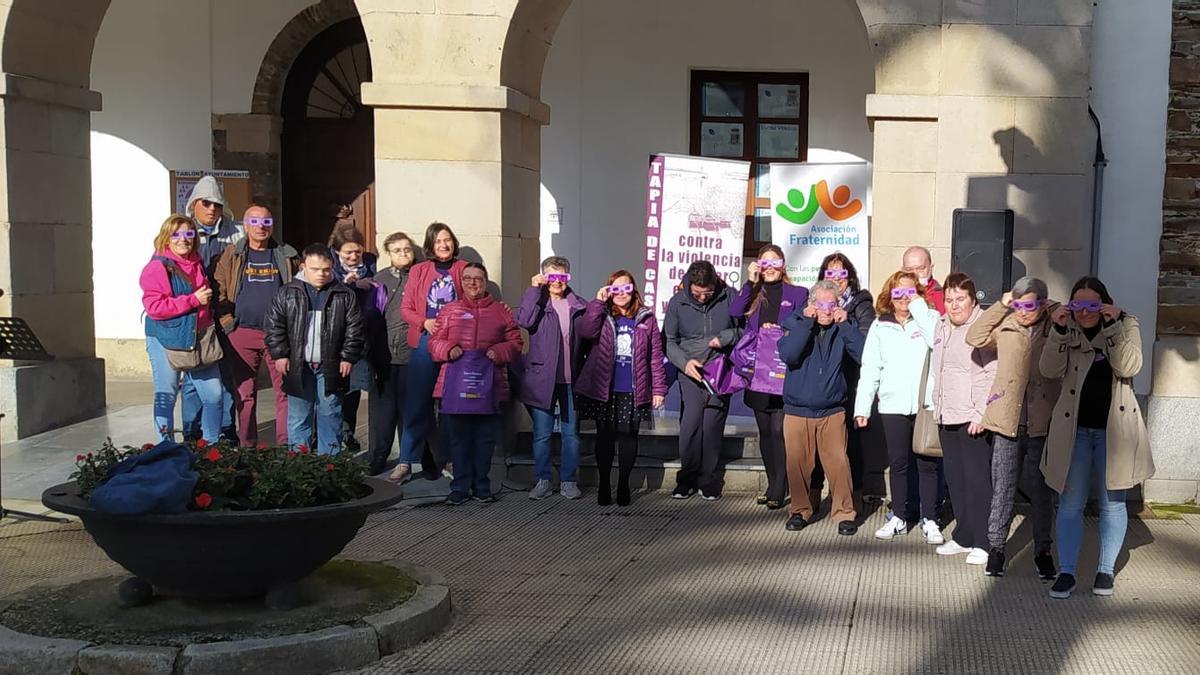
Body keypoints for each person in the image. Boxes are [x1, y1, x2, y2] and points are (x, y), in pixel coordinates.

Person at [1041, 277, 1153, 599]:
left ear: (1104, 303)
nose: (1085, 312)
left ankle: (1105, 570)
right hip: (1074, 431)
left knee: (1112, 503)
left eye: (1092, 305)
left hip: (1114, 432)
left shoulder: (1126, 323)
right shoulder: (1067, 328)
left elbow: (1129, 366)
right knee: (1070, 503)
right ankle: (1066, 573)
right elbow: (1049, 370)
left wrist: (1113, 325)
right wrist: (1059, 330)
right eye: (1078, 305)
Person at [966, 276, 1061, 579]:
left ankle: (1043, 551)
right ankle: (997, 548)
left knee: (1042, 491)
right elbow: (974, 336)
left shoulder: (1053, 327)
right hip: (1007, 419)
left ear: (1042, 304)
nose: (1022, 311)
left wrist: (1053, 309)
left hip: (1041, 421)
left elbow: (1068, 318)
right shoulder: (1006, 326)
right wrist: (1001, 304)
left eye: (1029, 305)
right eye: (1018, 305)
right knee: (1003, 487)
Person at [854, 271, 943, 543]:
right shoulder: (880, 326)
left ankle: (930, 518)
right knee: (898, 463)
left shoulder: (930, 319)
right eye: (898, 293)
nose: (904, 298)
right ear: (888, 297)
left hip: (924, 404)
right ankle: (900, 516)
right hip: (892, 405)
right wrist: (862, 407)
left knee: (927, 463)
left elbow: (936, 344)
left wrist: (919, 305)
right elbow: (871, 368)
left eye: (909, 292)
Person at [428, 263, 523, 505]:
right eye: (468, 278)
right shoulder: (449, 311)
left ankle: (482, 485)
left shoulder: (501, 311)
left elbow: (515, 343)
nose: (473, 283)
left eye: (478, 279)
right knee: (458, 440)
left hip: (490, 388)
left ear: (486, 282)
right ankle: (459, 486)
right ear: (461, 282)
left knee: (484, 440)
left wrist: (499, 351)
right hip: (455, 387)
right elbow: (434, 343)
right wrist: (448, 349)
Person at [777, 280, 866, 535]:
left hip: (832, 409)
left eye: (833, 304)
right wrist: (806, 323)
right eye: (822, 304)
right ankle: (799, 510)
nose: (827, 310)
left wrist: (846, 326)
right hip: (798, 409)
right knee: (798, 464)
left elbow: (863, 356)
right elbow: (789, 355)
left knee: (838, 463)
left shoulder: (843, 328)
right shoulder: (794, 322)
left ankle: (844, 513)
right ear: (811, 304)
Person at [575, 270, 668, 506]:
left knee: (629, 438)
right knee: (604, 438)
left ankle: (624, 483)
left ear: (633, 290)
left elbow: (655, 356)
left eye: (626, 288)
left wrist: (658, 389)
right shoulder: (602, 314)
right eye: (616, 289)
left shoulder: (646, 318)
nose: (621, 294)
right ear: (609, 291)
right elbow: (586, 332)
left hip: (633, 389)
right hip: (604, 389)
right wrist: (598, 302)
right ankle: (604, 483)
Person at [728, 244, 809, 509]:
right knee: (765, 430)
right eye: (765, 264)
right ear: (758, 267)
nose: (770, 268)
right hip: (757, 369)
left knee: (779, 430)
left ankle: (778, 486)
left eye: (775, 263)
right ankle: (773, 480)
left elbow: (802, 322)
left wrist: (781, 329)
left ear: (783, 265)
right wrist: (750, 283)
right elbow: (734, 313)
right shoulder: (753, 293)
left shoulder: (798, 293)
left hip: (782, 369)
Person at [265, 244, 364, 454]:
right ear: (303, 267)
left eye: (326, 270)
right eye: (315, 269)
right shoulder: (287, 293)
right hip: (298, 366)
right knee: (299, 418)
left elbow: (354, 329)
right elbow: (274, 326)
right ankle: (300, 466)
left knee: (331, 415)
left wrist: (347, 357)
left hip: (331, 366)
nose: (321, 274)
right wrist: (280, 354)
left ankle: (329, 466)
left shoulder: (343, 294)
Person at [212, 204, 298, 447]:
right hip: (242, 333)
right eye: (256, 222)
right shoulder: (232, 254)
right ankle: (247, 445)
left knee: (284, 392)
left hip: (278, 335)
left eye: (267, 222)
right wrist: (228, 323)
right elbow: (218, 289)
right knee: (244, 394)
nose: (261, 227)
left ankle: (285, 446)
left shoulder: (286, 254)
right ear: (246, 225)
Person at [139, 214, 225, 443]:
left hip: (200, 339)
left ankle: (212, 449)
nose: (183, 239)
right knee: (166, 396)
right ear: (167, 237)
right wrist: (193, 300)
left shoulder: (197, 262)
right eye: (176, 234)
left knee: (215, 395)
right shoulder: (157, 267)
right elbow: (155, 307)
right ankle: (164, 449)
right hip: (166, 338)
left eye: (188, 233)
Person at [931, 273, 997, 566]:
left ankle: (984, 541)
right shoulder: (941, 325)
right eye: (949, 299)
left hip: (972, 416)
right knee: (955, 479)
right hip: (947, 412)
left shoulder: (982, 328)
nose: (954, 305)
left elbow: (991, 373)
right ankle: (964, 534)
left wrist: (982, 413)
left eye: (961, 299)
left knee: (977, 480)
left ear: (973, 300)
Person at [394, 222, 469, 482]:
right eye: (438, 241)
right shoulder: (419, 271)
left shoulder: (463, 269)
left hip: (455, 343)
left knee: (450, 404)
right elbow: (406, 309)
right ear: (430, 245)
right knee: (416, 403)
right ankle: (406, 462)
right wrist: (423, 322)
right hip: (426, 340)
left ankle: (450, 460)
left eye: (447, 240)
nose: (444, 245)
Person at [663, 260, 741, 501]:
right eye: (697, 293)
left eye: (706, 293)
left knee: (712, 425)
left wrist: (726, 337)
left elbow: (745, 330)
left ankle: (708, 480)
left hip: (719, 369)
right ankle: (686, 479)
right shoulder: (678, 301)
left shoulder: (730, 297)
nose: (702, 298)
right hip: (690, 369)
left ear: (715, 283)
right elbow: (669, 340)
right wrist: (684, 363)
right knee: (691, 423)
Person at [516, 256, 588, 500]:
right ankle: (543, 479)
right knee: (542, 434)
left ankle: (569, 480)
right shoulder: (539, 303)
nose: (558, 282)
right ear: (544, 278)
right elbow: (523, 320)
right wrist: (533, 290)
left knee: (571, 434)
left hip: (571, 379)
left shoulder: (578, 305)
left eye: (563, 277)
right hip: (541, 379)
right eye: (552, 277)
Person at [185, 176, 243, 441]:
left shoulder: (235, 232)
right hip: (193, 316)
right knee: (192, 376)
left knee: (227, 373)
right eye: (206, 203)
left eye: (217, 205)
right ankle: (191, 430)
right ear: (194, 204)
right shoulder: (182, 231)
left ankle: (227, 428)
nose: (211, 209)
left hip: (224, 313)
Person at [816, 252, 877, 504]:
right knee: (816, 441)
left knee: (851, 442)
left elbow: (866, 347)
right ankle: (815, 494)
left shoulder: (861, 305)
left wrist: (845, 323)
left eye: (841, 274)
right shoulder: (813, 302)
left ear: (849, 277)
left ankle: (855, 494)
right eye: (830, 273)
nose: (836, 279)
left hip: (850, 381)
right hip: (820, 383)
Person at [370, 232, 430, 475]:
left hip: (412, 352)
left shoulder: (420, 274)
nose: (403, 254)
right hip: (385, 354)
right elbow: (372, 314)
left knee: (413, 410)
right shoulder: (380, 278)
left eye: (407, 249)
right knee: (385, 412)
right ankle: (379, 457)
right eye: (397, 250)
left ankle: (416, 459)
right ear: (389, 253)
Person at [330, 227, 379, 451]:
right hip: (334, 334)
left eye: (357, 252)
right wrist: (348, 284)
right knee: (333, 388)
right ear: (337, 251)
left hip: (361, 335)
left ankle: (348, 432)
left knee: (353, 387)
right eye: (347, 253)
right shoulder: (329, 267)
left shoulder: (371, 265)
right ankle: (329, 433)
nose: (352, 257)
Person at [902, 246, 945, 314]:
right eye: (909, 270)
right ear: (903, 271)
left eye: (920, 268)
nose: (915, 274)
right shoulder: (895, 295)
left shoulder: (941, 297)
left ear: (931, 268)